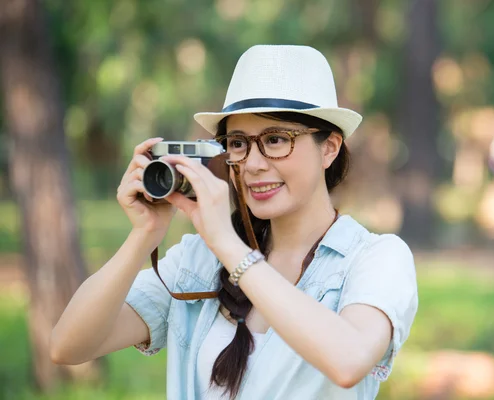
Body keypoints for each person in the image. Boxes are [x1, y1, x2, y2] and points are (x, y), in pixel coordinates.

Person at [50, 44, 418, 400]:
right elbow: (69, 346)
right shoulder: (199, 260)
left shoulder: (375, 258)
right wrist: (143, 235)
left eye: (276, 139)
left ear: (329, 148)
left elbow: (349, 360)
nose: (253, 164)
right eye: (238, 143)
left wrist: (229, 246)